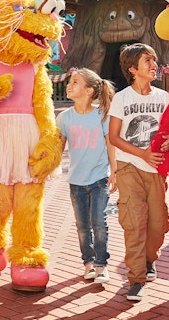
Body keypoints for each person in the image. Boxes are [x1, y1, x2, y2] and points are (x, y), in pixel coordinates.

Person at [107, 43, 169, 301]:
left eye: (154, 60)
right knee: (135, 222)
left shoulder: (164, 98)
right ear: (133, 68)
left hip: (156, 168)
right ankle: (136, 279)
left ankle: (149, 259)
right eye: (148, 61)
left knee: (158, 224)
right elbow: (114, 137)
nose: (154, 65)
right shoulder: (121, 98)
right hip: (129, 165)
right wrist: (142, 154)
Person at [57, 68, 117, 285]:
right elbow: (57, 147)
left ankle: (102, 265)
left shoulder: (102, 115)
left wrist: (115, 171)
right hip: (76, 181)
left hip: (99, 178)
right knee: (82, 225)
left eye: (75, 82)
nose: (69, 85)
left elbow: (111, 145)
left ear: (89, 90)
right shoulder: (64, 118)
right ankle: (88, 263)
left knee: (99, 222)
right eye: (70, 82)